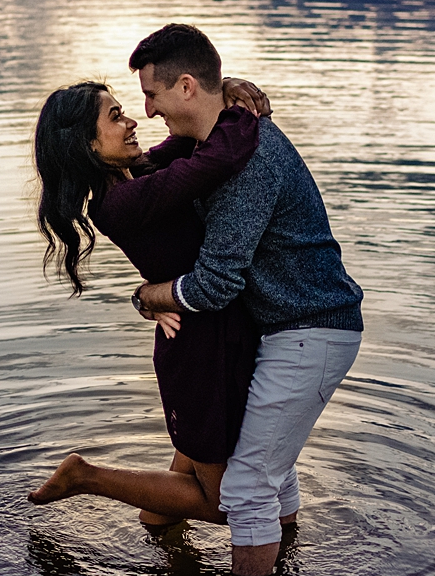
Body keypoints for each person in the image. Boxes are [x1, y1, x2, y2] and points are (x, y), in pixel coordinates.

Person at [27, 74, 274, 527]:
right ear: (87, 146)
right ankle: (88, 477)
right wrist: (243, 110)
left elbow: (189, 137)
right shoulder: (123, 202)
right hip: (199, 352)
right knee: (223, 505)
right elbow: (219, 156)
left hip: (202, 334)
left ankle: (158, 527)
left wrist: (224, 89)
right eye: (116, 118)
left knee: (191, 470)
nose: (133, 122)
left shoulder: (136, 175)